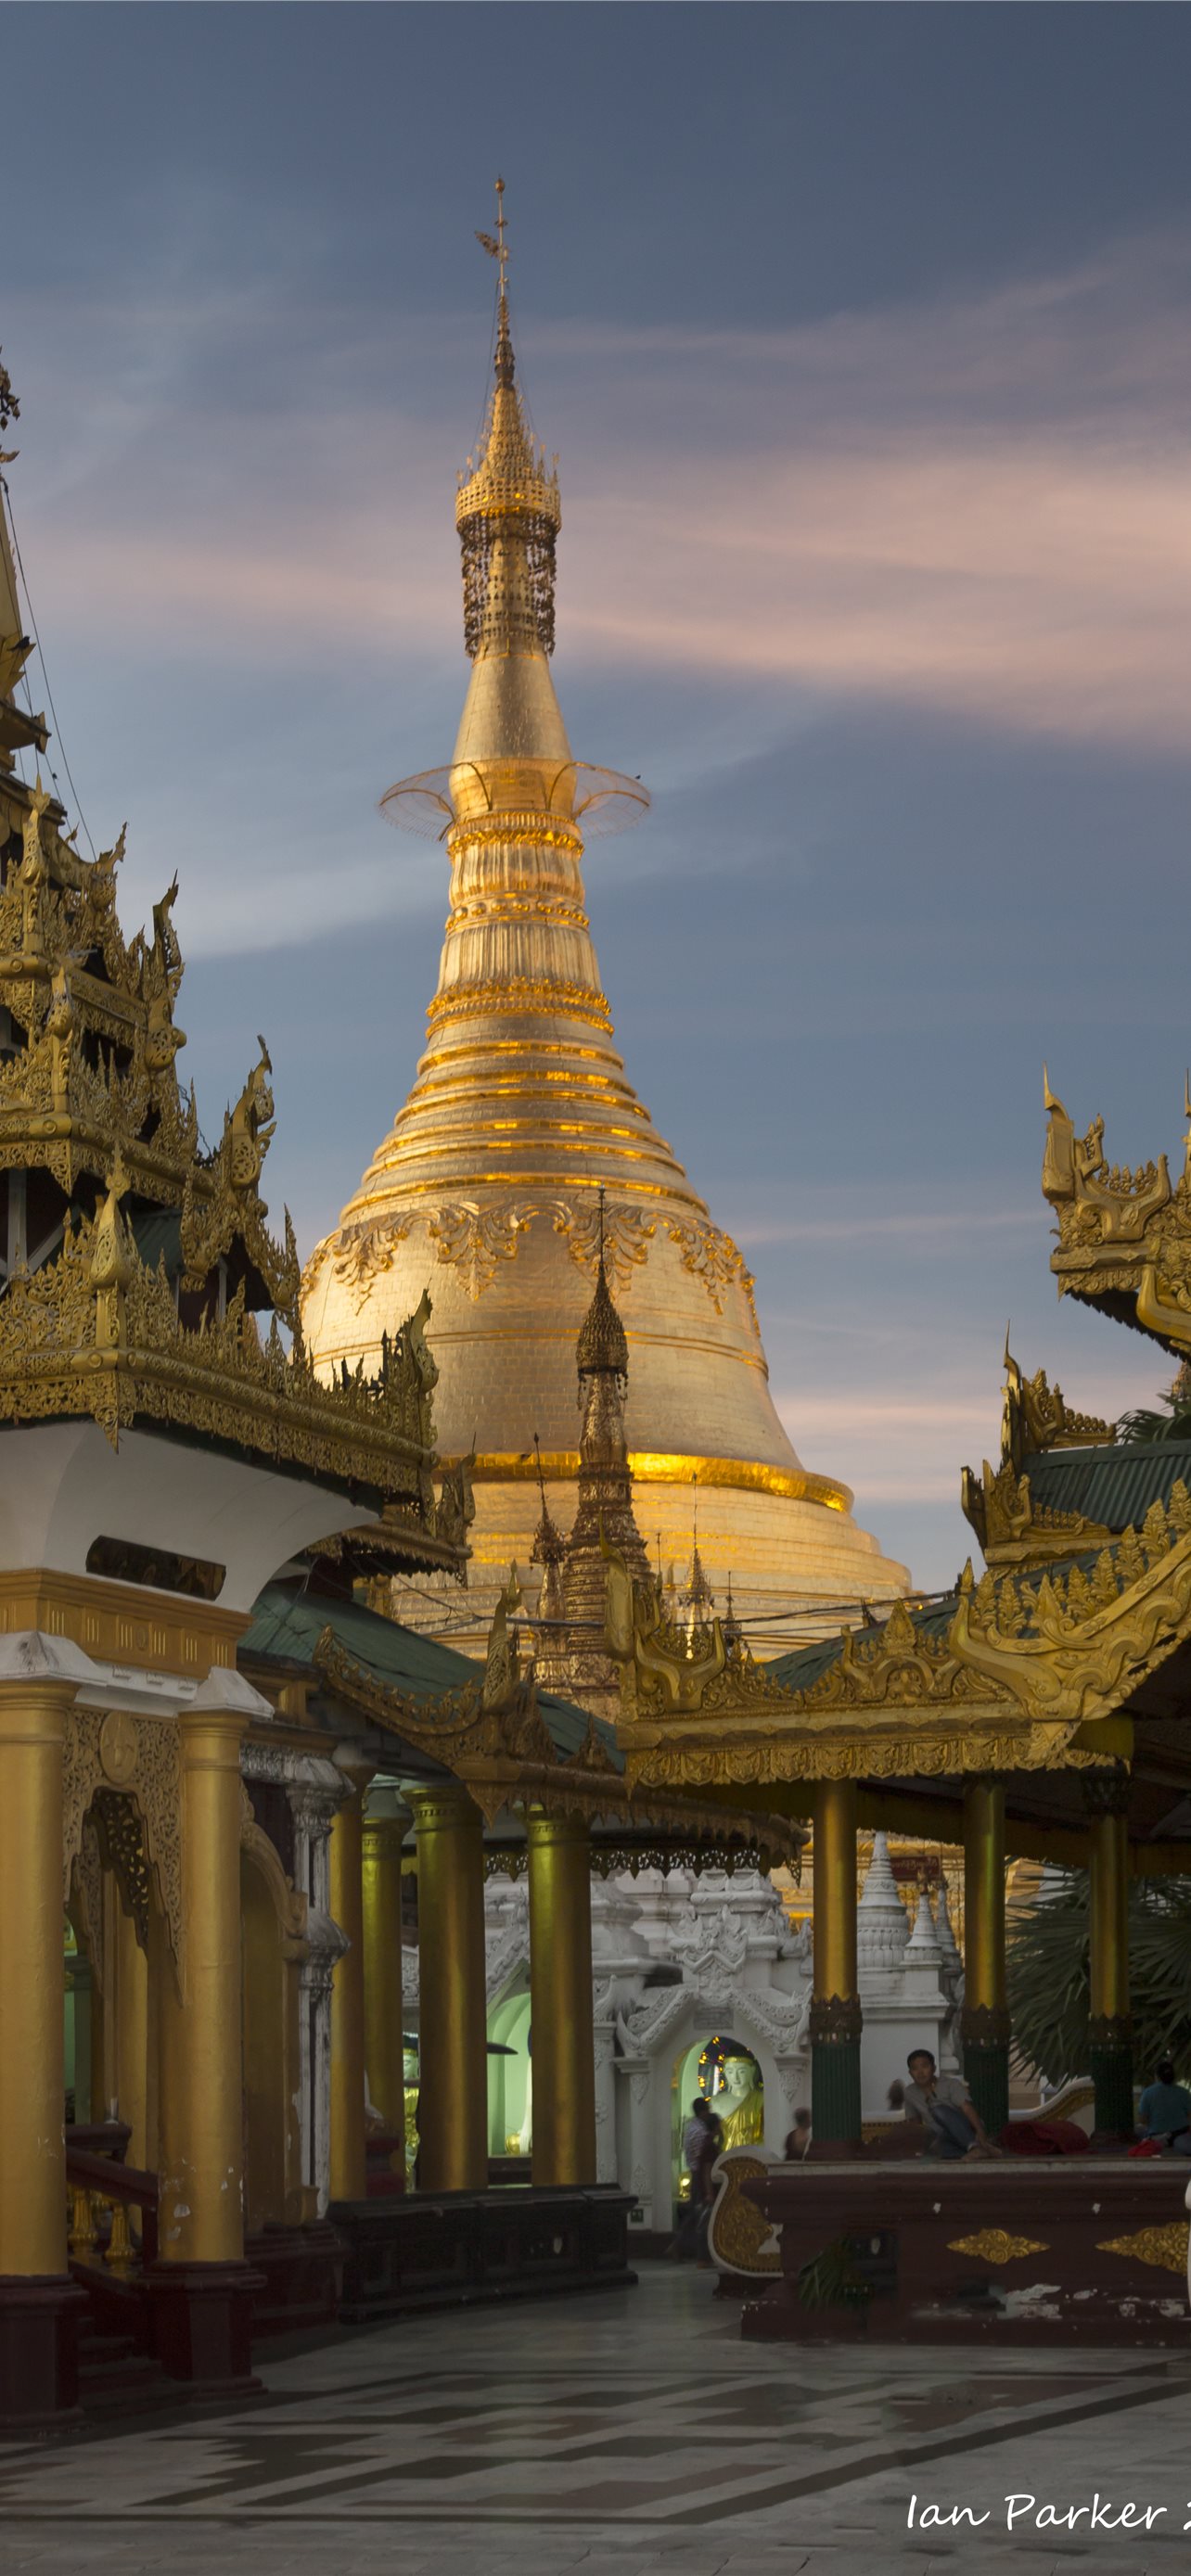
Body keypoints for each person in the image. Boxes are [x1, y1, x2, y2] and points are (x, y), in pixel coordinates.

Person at [901, 2048, 1002, 2159]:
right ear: (910, 2073)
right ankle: (983, 2151)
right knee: (930, 2150)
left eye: (925, 2066)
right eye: (915, 2069)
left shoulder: (950, 2084)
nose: (920, 2072)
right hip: (943, 2135)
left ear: (933, 2068)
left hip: (968, 2129)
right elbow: (916, 2122)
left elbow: (967, 2108)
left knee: (938, 2110)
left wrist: (980, 2131)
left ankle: (975, 2146)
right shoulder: (909, 2092)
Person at [1137, 2058, 1191, 2151]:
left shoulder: (1148, 2092)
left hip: (1157, 2135)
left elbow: (1142, 2120)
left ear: (1157, 2076)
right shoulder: (1183, 2092)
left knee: (1138, 2129)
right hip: (1180, 2135)